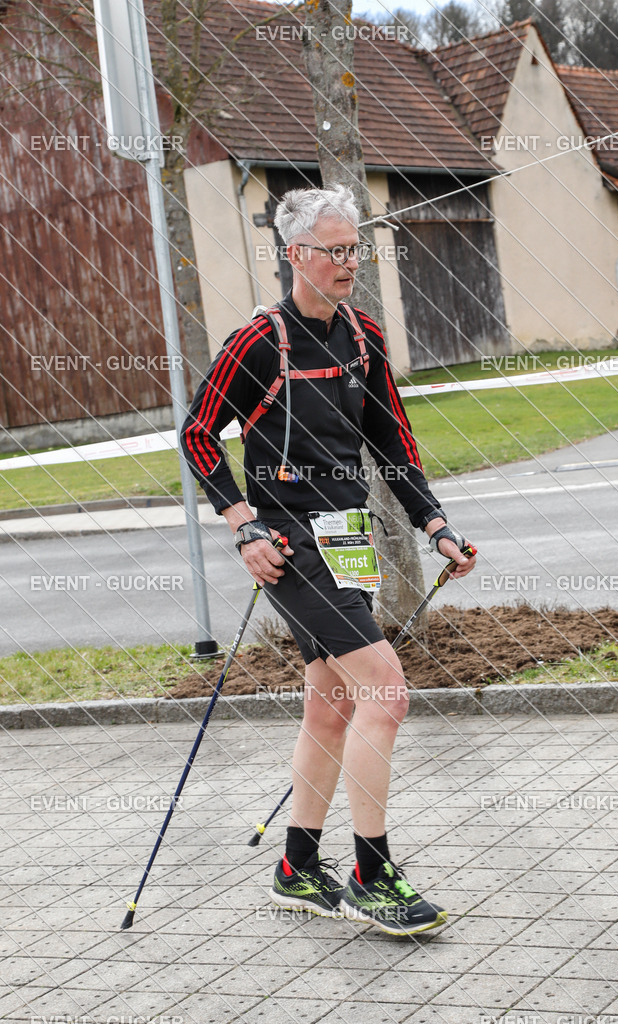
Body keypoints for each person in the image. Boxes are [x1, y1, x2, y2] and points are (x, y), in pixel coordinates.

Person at [181, 183, 476, 936]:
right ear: (296, 255)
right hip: (288, 538)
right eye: (337, 251)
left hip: (348, 531)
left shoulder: (363, 336)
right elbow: (198, 434)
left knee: (333, 701)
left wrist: (434, 523)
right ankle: (371, 873)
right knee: (386, 690)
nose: (351, 263)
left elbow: (392, 442)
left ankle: (295, 866)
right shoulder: (258, 341)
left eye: (356, 250)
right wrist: (244, 526)